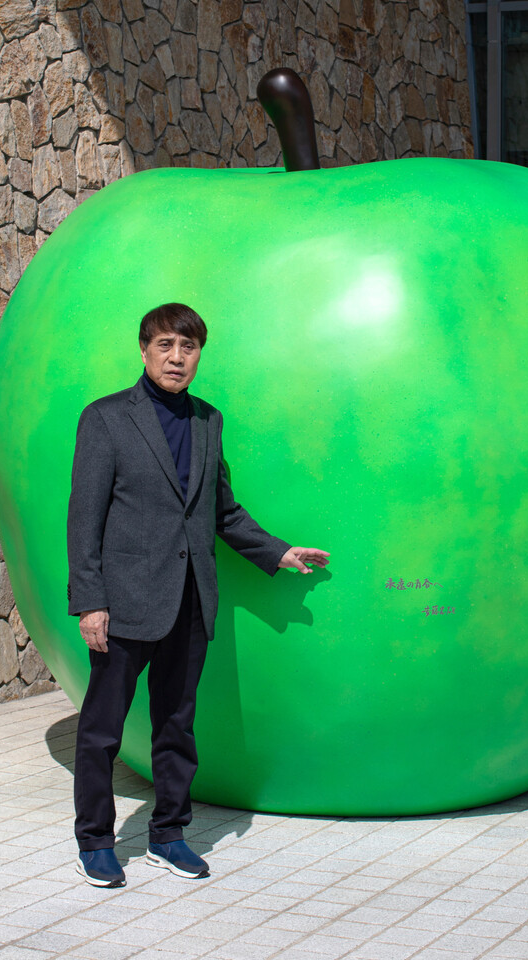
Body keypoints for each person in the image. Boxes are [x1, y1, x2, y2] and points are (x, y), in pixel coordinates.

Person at [67, 302, 329, 887]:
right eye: (165, 346)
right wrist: (90, 601)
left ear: (198, 355)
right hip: (124, 602)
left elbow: (221, 511)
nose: (177, 358)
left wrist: (277, 552)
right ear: (144, 351)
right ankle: (95, 842)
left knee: (177, 725)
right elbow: (83, 519)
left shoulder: (208, 421)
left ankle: (168, 834)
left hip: (190, 600)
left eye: (188, 348)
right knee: (103, 729)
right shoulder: (106, 419)